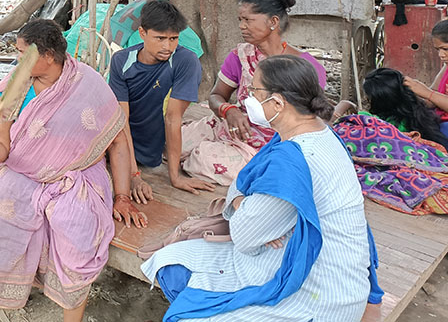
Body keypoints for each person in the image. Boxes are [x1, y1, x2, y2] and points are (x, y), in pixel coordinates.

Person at [142, 55, 383, 322]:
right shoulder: (316, 136)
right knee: (171, 259)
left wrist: (241, 208)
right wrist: (243, 206)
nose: (247, 99)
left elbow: (244, 235)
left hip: (317, 291)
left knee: (187, 309)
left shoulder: (294, 158)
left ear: (278, 102)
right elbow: (239, 188)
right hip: (312, 262)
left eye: (254, 91)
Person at [0, 19, 147, 322]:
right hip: (24, 171)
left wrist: (122, 195)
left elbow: (117, 142)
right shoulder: (17, 83)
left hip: (76, 175)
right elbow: (1, 139)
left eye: (24, 54)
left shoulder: (87, 84)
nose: (18, 60)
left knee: (76, 229)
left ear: (48, 56)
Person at [180, 0, 327, 185]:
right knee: (172, 144)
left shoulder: (305, 67)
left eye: (248, 20)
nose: (241, 26)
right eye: (240, 19)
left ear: (273, 22)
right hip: (231, 126)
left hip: (270, 144)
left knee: (202, 160)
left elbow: (308, 121)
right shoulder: (239, 56)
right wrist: (229, 110)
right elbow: (216, 96)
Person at [108, 1, 213, 200]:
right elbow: (121, 121)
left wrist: (175, 177)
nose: (168, 46)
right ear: (142, 33)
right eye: (160, 38)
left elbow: (173, 119)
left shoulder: (185, 61)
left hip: (152, 143)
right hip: (119, 136)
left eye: (173, 38)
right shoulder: (121, 61)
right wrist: (134, 175)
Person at [333, 67, 448, 148]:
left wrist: (344, 104)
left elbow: (332, 124)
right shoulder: (422, 118)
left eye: (368, 97)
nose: (366, 100)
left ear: (381, 101)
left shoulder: (376, 124)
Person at [398, 20, 448, 136]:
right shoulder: (446, 66)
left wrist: (427, 92)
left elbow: (431, 95)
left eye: (445, 49)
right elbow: (431, 101)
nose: (441, 55)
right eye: (438, 50)